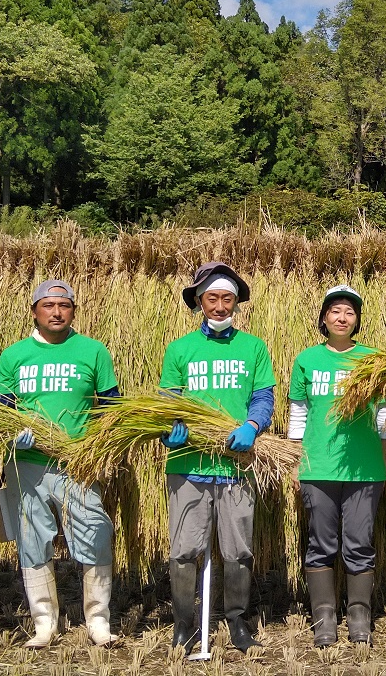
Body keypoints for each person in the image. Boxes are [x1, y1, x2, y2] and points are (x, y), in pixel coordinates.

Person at [0, 280, 120, 648]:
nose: (56, 312)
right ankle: (44, 624)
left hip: (77, 464)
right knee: (33, 543)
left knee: (96, 536)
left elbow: (112, 409)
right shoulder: (13, 355)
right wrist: (11, 436)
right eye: (48, 305)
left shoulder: (93, 352)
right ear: (34, 311)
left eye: (64, 305)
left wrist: (96, 449)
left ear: (73, 311)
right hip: (27, 464)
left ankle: (98, 620)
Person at [159, 261, 276, 654]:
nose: (221, 306)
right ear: (198, 302)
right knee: (184, 550)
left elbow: (263, 397)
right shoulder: (179, 349)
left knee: (238, 549)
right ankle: (183, 624)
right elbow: (167, 403)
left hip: (237, 465)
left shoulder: (253, 347)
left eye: (228, 298)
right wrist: (168, 429)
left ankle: (238, 621)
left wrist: (253, 426)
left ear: (237, 303)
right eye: (212, 298)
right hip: (188, 465)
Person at [287, 284, 386, 647]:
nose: (342, 317)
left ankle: (359, 615)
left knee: (360, 542)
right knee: (321, 543)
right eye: (335, 311)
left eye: (349, 312)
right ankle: (324, 618)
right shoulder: (307, 360)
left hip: (364, 470)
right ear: (323, 319)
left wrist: (381, 452)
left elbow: (382, 412)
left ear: (357, 320)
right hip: (317, 467)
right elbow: (298, 412)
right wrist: (295, 457)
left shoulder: (372, 359)